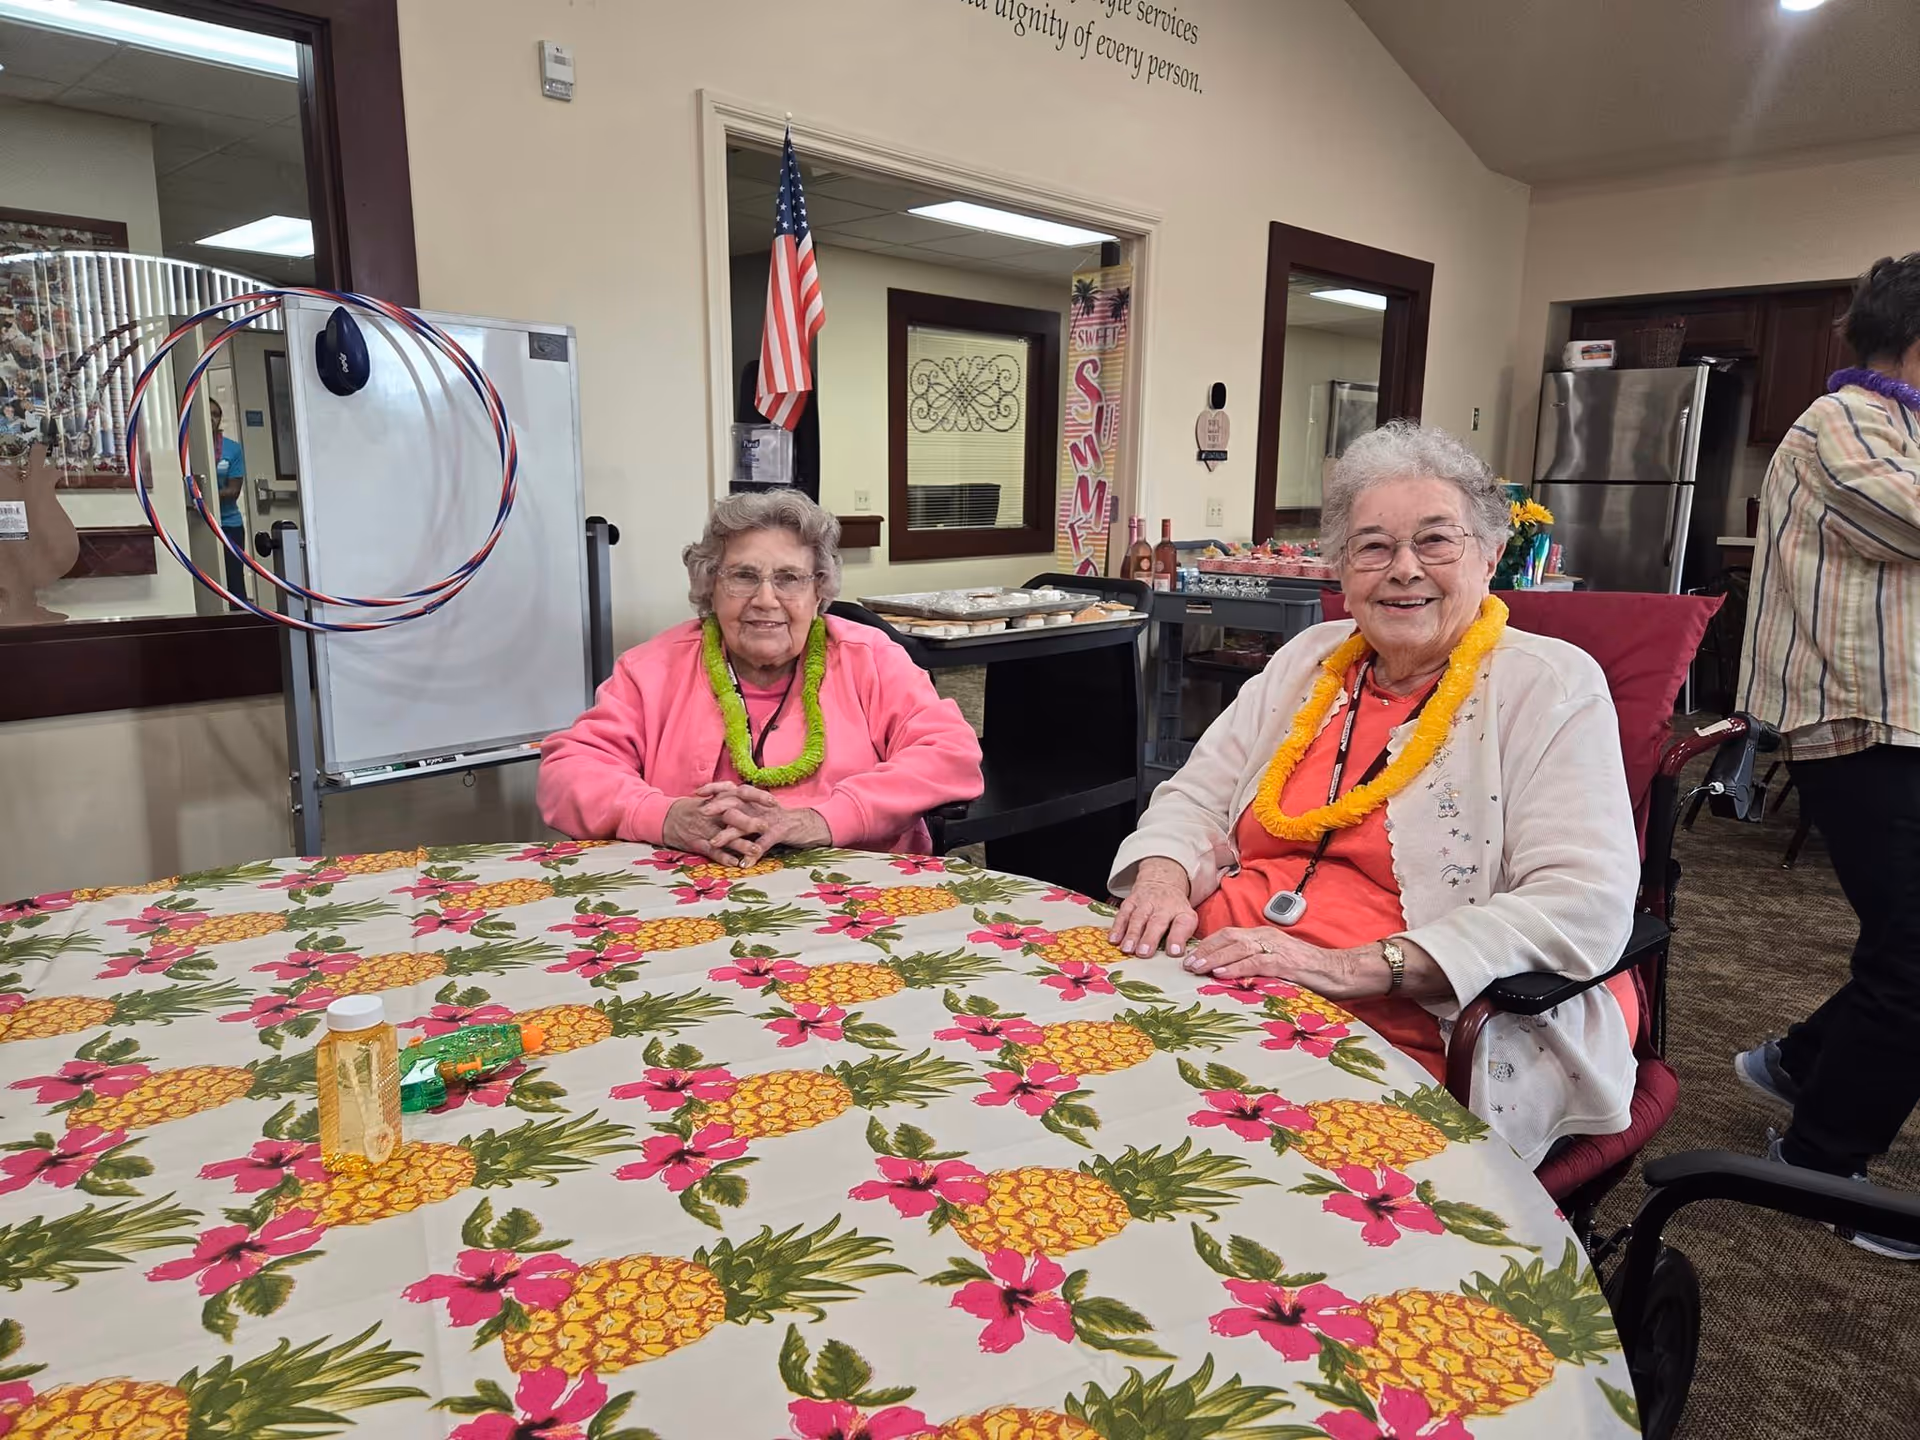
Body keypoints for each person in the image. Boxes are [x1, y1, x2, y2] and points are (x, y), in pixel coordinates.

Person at [1108, 421, 1642, 1167]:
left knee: (1242, 1176)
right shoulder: (1310, 660)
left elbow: (1582, 901)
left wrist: (1338, 968)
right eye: (1373, 546)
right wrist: (1164, 878)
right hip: (1218, 973)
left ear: (1490, 556)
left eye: (1435, 542)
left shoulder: (1546, 684)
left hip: (1406, 1017)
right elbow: (1195, 793)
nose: (1402, 570)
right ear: (1342, 569)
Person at [1734, 253, 1920, 1261]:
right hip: (1857, 722)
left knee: (1909, 947)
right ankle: (1821, 1163)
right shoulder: (1843, 420)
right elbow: (1907, 519)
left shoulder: (1906, 425)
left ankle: (1806, 1066)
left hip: (1904, 719)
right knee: (1915, 959)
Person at [539, 490, 983, 862]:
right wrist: (667, 816)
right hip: (687, 899)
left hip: (860, 890)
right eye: (744, 576)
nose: (765, 599)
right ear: (710, 586)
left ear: (819, 590)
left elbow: (949, 754)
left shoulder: (870, 658)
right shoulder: (651, 668)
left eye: (789, 578)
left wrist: (821, 820)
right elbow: (568, 771)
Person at [208, 399, 248, 601]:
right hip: (201, 524)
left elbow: (233, 490)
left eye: (216, 414)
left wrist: (204, 495)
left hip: (229, 525)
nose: (212, 419)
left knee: (234, 582)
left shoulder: (232, 449)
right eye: (208, 414)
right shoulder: (188, 448)